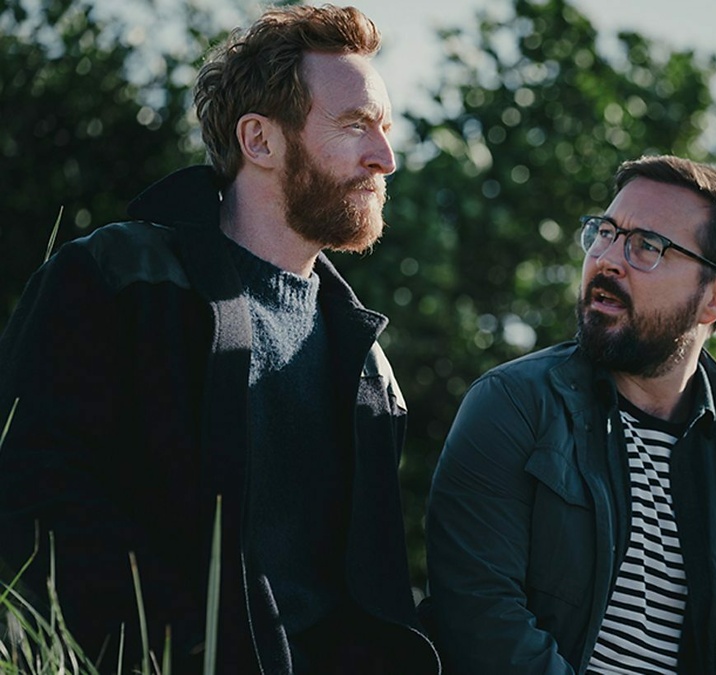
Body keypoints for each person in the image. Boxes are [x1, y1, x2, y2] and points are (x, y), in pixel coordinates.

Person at [0, 5, 438, 673]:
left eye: (384, 128)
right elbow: (30, 509)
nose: (387, 157)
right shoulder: (118, 281)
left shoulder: (369, 369)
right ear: (259, 140)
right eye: (355, 127)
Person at [424, 155, 716, 673]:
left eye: (646, 246)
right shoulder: (513, 404)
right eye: (605, 232)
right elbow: (480, 616)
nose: (607, 259)